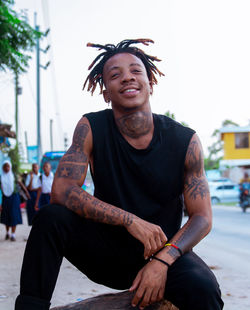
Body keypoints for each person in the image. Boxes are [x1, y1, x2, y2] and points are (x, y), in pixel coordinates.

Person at [15, 39, 224, 310]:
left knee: (204, 288)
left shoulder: (185, 140)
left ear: (151, 82)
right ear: (105, 92)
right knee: (50, 218)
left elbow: (203, 217)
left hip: (164, 252)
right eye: (115, 74)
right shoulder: (91, 126)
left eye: (136, 71)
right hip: (106, 251)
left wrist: (163, 260)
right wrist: (129, 220)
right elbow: (62, 191)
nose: (127, 77)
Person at [0, 160, 30, 241]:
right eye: (5, 166)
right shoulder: (1, 177)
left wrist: (26, 192)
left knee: (14, 215)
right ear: (3, 168)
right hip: (5, 198)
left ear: (10, 167)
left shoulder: (14, 176)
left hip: (14, 198)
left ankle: (13, 235)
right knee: (6, 216)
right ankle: (7, 233)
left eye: (8, 166)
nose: (6, 168)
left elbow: (21, 184)